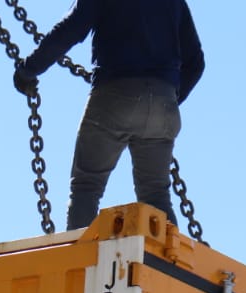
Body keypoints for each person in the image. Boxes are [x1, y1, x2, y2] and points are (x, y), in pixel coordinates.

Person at [12, 0, 204, 231]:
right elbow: (196, 62)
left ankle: (80, 262)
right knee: (156, 195)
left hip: (115, 93)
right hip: (164, 102)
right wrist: (166, 98)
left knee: (86, 187)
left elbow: (71, 28)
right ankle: (168, 262)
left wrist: (28, 70)